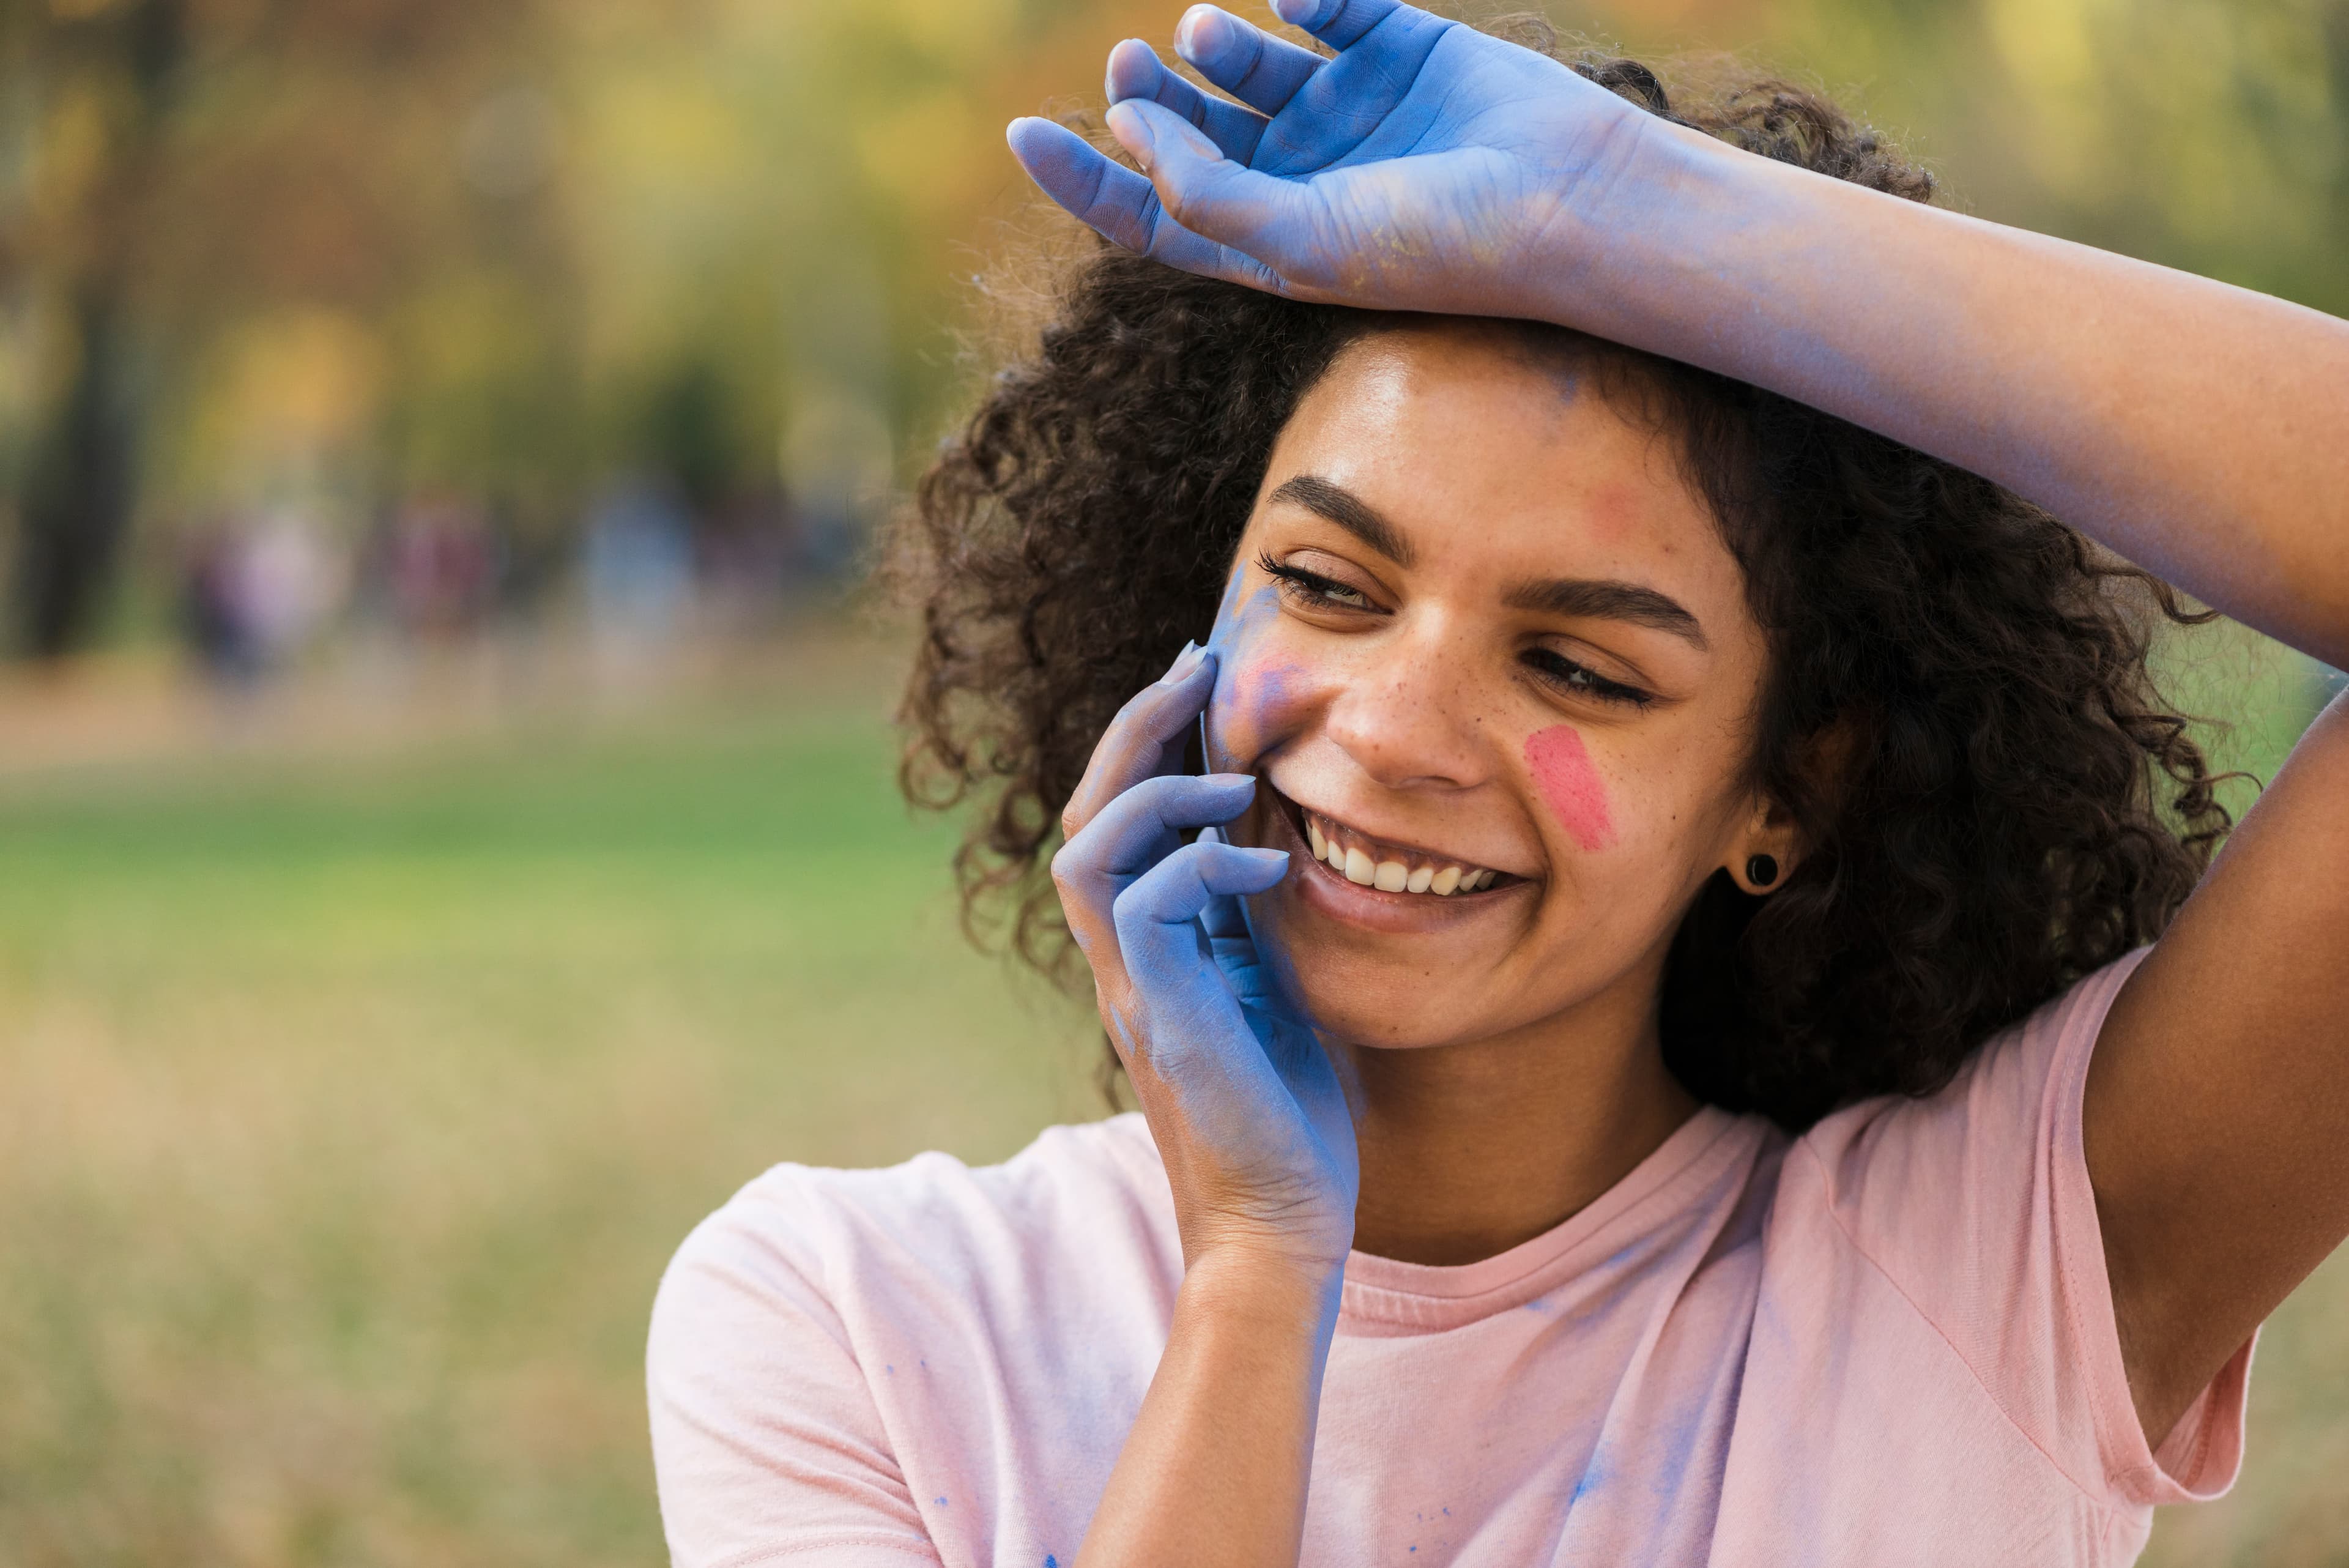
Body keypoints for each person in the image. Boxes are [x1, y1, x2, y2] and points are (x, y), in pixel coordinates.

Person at [647, 2, 2349, 1562]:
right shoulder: (853, 1321)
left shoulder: (1999, 1279)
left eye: (1580, 668)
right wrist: (1254, 1272)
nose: (1391, 729)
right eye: (1325, 585)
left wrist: (1641, 211)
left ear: (1788, 795)